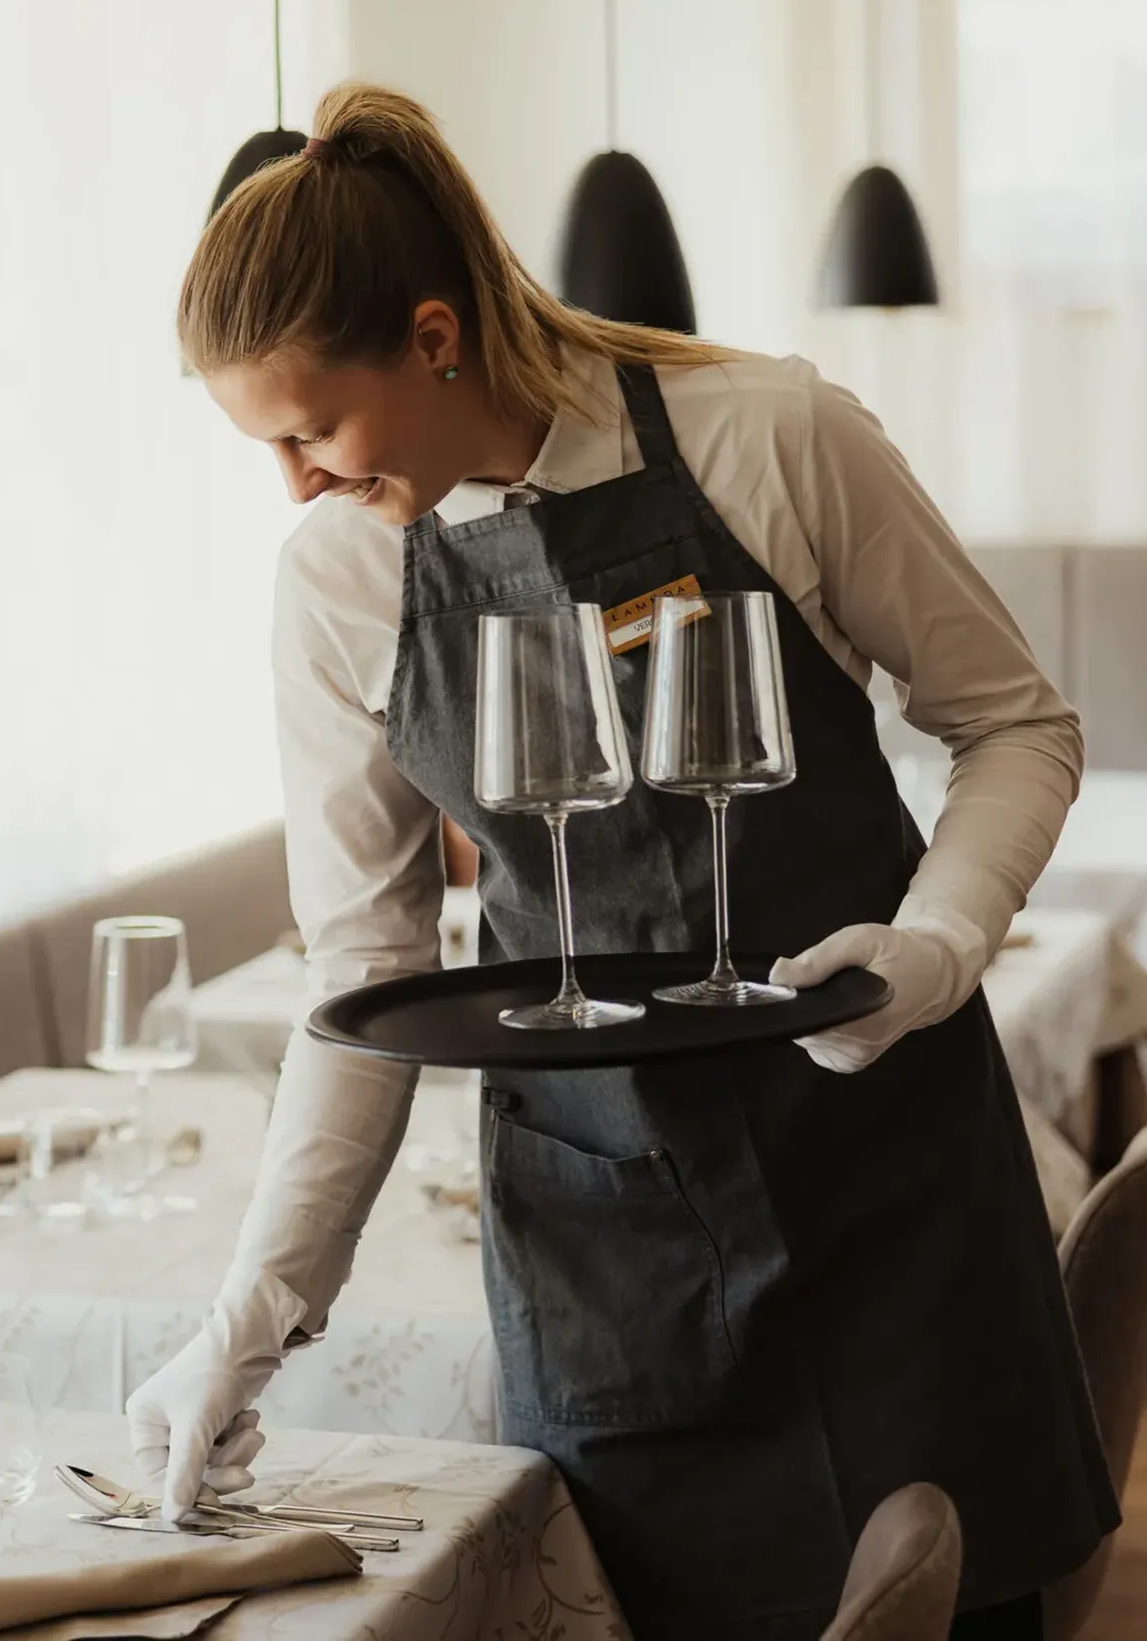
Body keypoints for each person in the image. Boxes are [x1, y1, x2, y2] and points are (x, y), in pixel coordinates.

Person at [125, 82, 1117, 1641]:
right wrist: (248, 1320)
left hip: (891, 1193)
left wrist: (934, 950)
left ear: (436, 337)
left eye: (313, 430)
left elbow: (1015, 726)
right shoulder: (333, 584)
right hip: (610, 1265)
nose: (296, 483)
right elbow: (368, 974)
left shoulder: (768, 434)